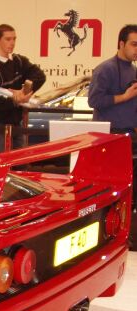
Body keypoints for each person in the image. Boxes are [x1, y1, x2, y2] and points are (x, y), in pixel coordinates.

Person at [88, 24, 137, 250]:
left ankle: (127, 233)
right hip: (110, 137)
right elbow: (95, 101)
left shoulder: (133, 71)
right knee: (108, 191)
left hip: (130, 136)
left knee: (129, 189)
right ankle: (104, 234)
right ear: (121, 44)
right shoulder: (105, 69)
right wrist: (124, 96)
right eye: (134, 44)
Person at [0, 23, 46, 153]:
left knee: (19, 161)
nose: (12, 43)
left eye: (14, 39)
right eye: (8, 39)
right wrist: (15, 101)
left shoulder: (19, 61)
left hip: (16, 120)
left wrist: (24, 91)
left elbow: (40, 76)